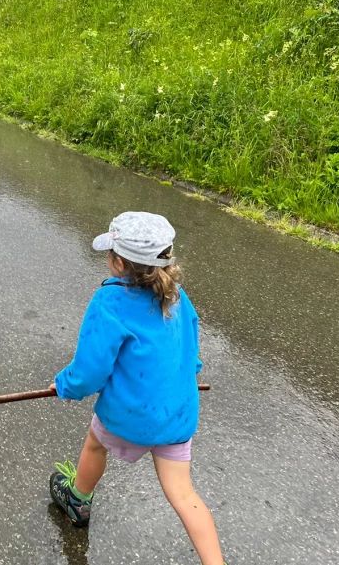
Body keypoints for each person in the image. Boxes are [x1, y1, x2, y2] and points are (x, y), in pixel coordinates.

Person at [49, 211, 224, 565]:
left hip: (129, 415)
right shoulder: (178, 297)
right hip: (176, 414)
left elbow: (90, 371)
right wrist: (191, 371)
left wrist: (65, 386)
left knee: (96, 444)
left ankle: (78, 499)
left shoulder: (110, 303)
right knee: (184, 494)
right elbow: (190, 346)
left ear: (117, 262)